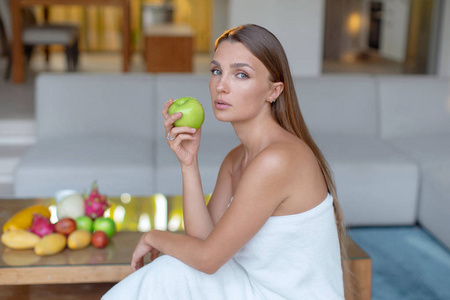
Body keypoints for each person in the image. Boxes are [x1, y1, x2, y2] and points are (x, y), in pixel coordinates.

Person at [102, 24, 346, 300]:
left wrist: (152, 236)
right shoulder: (236, 158)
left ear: (273, 91)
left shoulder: (278, 160)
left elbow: (208, 259)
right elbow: (203, 243)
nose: (221, 85)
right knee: (175, 270)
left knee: (170, 271)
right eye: (217, 70)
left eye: (241, 74)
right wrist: (188, 163)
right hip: (252, 287)